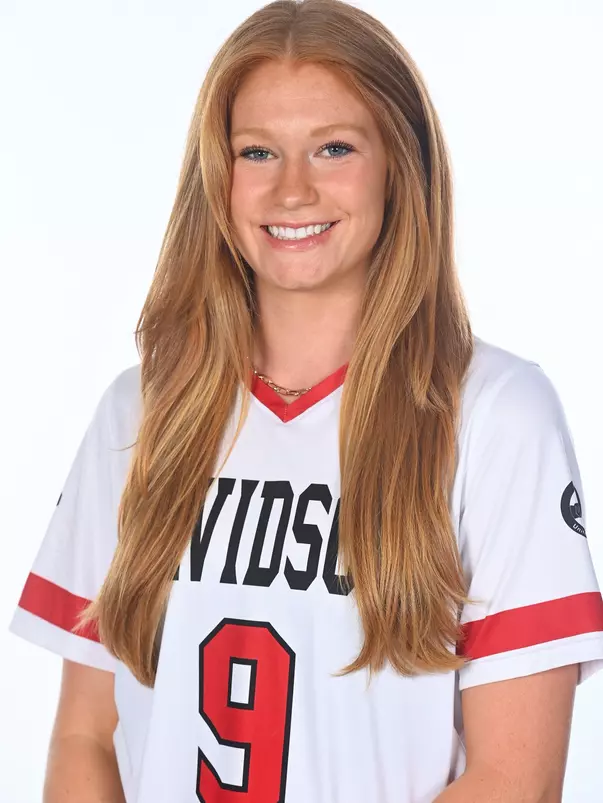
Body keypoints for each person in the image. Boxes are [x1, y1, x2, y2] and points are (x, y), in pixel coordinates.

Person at [9, 1, 603, 801]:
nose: (292, 189)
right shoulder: (142, 413)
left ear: (399, 164)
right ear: (216, 177)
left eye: (333, 148)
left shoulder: (495, 415)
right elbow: (86, 734)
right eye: (257, 151)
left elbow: (512, 780)